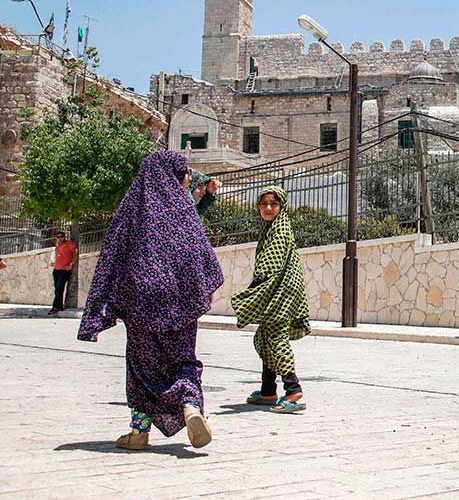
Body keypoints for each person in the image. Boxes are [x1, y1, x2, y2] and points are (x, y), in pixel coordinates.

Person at [78, 150, 224, 451]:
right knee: (184, 361)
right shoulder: (183, 210)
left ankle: (139, 432)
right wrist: (204, 287)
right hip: (180, 301)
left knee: (141, 368)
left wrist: (107, 302)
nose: (188, 177)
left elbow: (112, 253)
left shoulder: (134, 208)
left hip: (141, 301)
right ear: (175, 175)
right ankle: (190, 407)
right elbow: (200, 253)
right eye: (185, 172)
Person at [231, 186, 311, 413]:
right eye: (264, 204)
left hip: (281, 288)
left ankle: (293, 389)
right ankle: (268, 390)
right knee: (265, 336)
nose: (267, 208)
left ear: (281, 206)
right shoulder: (270, 227)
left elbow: (271, 262)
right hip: (281, 286)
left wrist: (254, 289)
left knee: (275, 334)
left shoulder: (279, 229)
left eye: (273, 204)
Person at [48, 230, 79, 315]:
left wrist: (71, 264)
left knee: (59, 288)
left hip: (64, 270)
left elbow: (75, 252)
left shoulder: (69, 244)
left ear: (64, 237)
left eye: (61, 236)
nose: (60, 238)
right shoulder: (57, 246)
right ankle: (60, 306)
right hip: (56, 270)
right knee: (57, 289)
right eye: (58, 237)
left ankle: (55, 307)